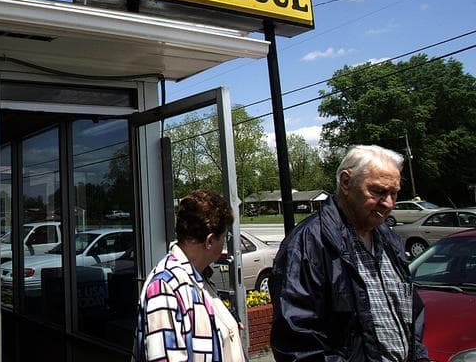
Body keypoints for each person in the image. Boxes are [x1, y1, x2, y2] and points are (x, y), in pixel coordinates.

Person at [270, 145, 429, 362]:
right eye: (379, 191)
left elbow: (411, 314)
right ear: (346, 182)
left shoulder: (390, 240)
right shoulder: (308, 244)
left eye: (394, 193)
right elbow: (297, 343)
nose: (389, 203)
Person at [135, 189, 245, 362]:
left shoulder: (199, 277)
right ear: (209, 241)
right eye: (225, 236)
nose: (225, 242)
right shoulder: (164, 287)